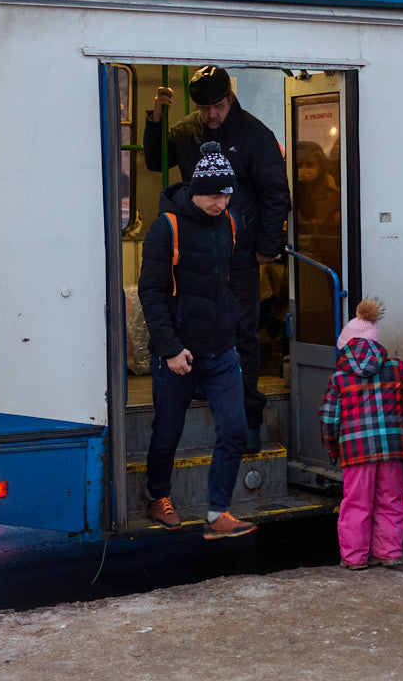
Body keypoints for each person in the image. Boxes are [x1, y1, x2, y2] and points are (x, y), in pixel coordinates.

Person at [145, 66, 291, 452]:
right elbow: (156, 162)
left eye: (219, 106)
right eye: (204, 108)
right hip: (193, 248)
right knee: (193, 320)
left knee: (241, 332)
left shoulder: (255, 135)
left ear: (231, 99)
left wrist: (265, 246)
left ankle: (247, 421)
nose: (211, 115)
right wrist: (156, 116)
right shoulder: (186, 131)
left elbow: (277, 193)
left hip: (239, 251)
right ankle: (205, 390)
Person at [138, 142, 257, 540]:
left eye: (226, 194)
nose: (220, 202)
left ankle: (218, 511)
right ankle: (158, 495)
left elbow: (236, 278)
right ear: (195, 190)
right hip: (177, 351)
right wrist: (170, 348)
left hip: (221, 347)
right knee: (168, 430)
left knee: (235, 429)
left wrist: (234, 324)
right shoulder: (166, 227)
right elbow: (151, 292)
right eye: (213, 194)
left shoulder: (231, 223)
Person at [318, 298, 403, 570]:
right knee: (391, 499)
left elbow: (328, 418)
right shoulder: (394, 368)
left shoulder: (340, 378)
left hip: (355, 454)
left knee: (355, 504)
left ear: (346, 347)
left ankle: (354, 558)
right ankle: (388, 553)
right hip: (390, 450)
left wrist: (332, 448)